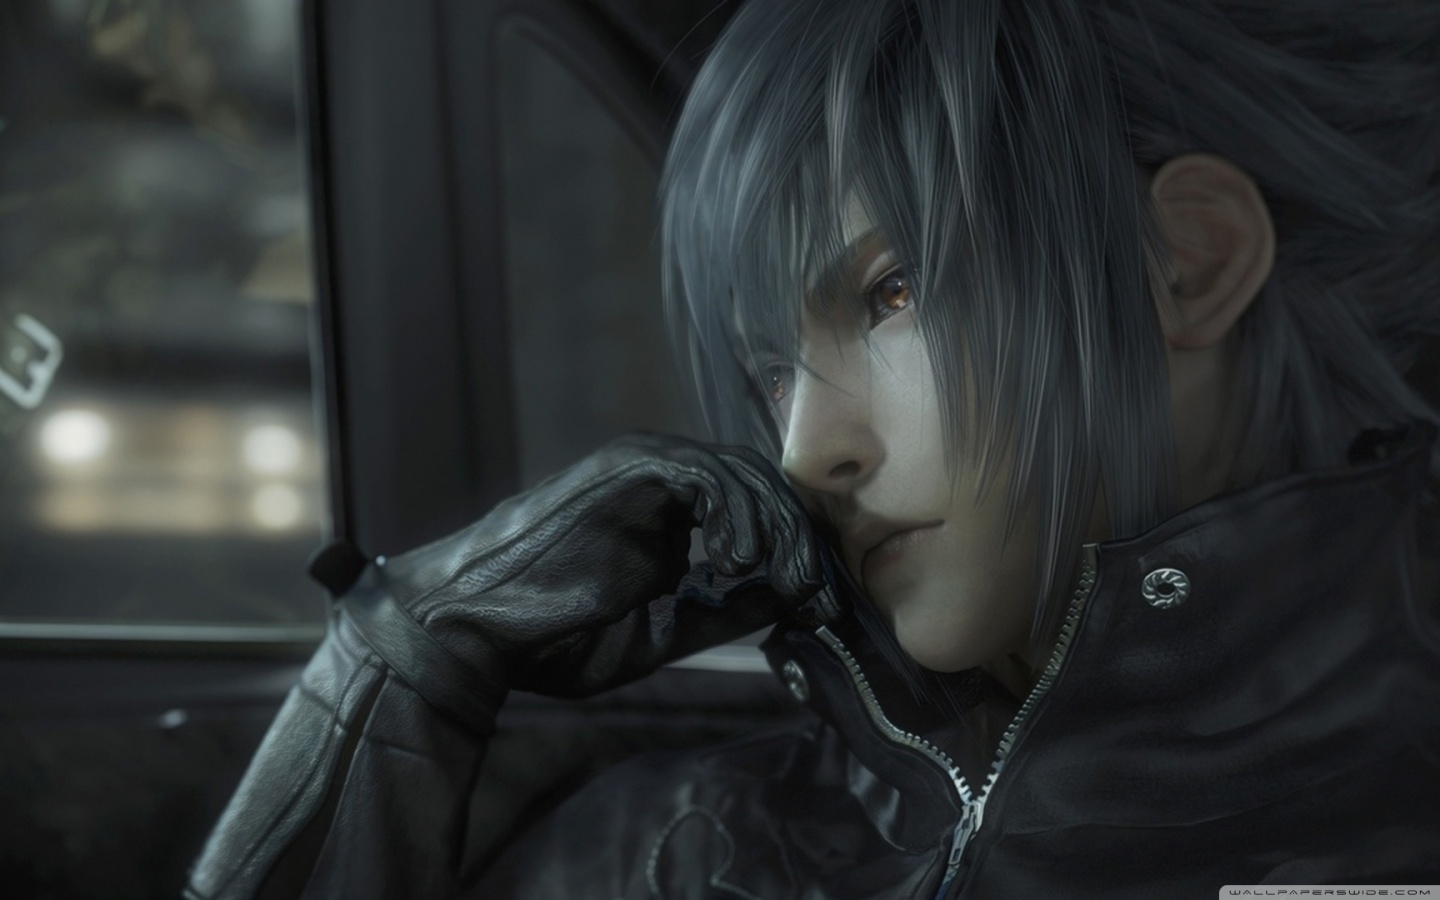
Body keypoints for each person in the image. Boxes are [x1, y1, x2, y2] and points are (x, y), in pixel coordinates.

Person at [186, 0, 1440, 897]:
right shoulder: (684, 852)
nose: (803, 453)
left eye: (892, 293)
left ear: (1190, 259)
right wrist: (408, 658)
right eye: (771, 374)